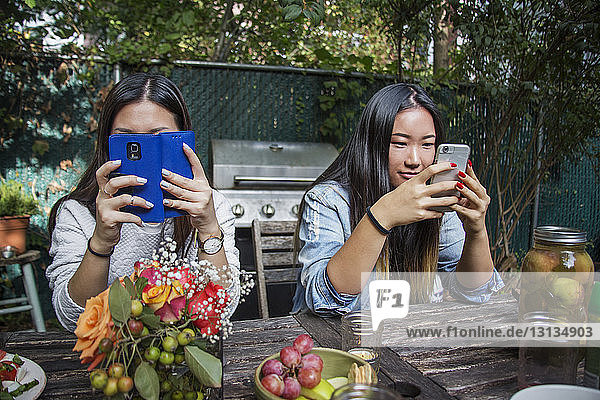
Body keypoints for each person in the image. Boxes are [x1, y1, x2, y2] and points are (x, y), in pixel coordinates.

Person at [47, 73, 240, 332]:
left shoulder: (210, 206)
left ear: (181, 139)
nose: (143, 155)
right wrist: (102, 242)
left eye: (158, 138)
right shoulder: (77, 212)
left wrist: (208, 229)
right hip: (112, 361)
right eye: (128, 141)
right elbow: (72, 318)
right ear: (108, 143)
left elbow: (220, 311)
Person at [292, 83, 503, 316]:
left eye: (427, 145)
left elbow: (476, 293)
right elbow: (325, 300)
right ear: (372, 145)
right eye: (400, 143)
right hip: (332, 344)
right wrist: (382, 216)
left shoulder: (436, 202)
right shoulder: (329, 200)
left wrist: (476, 231)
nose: (414, 159)